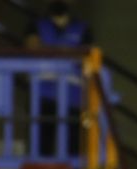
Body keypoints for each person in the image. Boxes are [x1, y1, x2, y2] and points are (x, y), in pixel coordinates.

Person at [24, 1, 93, 159]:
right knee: (41, 146)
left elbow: (86, 56)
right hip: (42, 95)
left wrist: (51, 50)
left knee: (73, 149)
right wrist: (68, 52)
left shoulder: (83, 28)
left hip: (73, 97)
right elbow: (32, 48)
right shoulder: (36, 25)